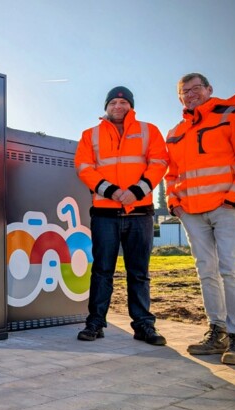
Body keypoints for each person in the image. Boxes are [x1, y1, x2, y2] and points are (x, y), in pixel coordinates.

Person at [165, 73, 235, 366]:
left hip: (227, 208)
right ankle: (217, 331)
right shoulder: (175, 132)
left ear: (209, 89)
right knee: (206, 271)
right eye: (184, 91)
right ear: (180, 98)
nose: (191, 94)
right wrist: (174, 203)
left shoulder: (234, 115)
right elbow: (171, 174)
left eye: (196, 88)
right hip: (192, 213)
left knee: (231, 270)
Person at [74, 86, 169, 345]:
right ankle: (95, 323)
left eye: (123, 102)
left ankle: (143, 325)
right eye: (113, 102)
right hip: (105, 214)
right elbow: (84, 167)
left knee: (139, 272)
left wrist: (137, 191)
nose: (118, 106)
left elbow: (159, 162)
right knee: (102, 270)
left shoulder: (150, 131)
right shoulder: (89, 135)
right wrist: (113, 191)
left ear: (131, 106)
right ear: (106, 106)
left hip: (140, 213)